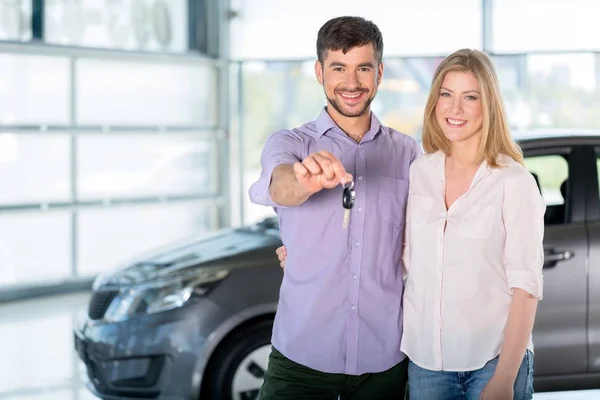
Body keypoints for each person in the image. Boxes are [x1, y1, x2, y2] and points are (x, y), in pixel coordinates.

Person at [276, 48, 545, 400]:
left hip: (492, 359)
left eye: (470, 97)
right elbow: (397, 252)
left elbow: (526, 286)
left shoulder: (514, 181)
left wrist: (504, 378)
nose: (455, 109)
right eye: (446, 95)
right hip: (425, 362)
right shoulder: (420, 170)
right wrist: (311, 251)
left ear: (489, 105)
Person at [248, 15, 420, 400]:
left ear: (379, 73)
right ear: (319, 72)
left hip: (385, 359)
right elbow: (280, 185)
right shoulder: (290, 144)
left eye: (363, 68)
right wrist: (305, 181)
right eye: (338, 68)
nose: (352, 83)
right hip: (301, 357)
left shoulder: (408, 153)